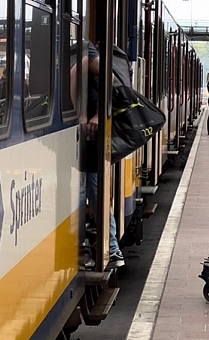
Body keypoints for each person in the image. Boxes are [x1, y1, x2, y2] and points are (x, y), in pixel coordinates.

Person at [80, 41, 125, 268]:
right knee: (89, 191)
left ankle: (113, 248)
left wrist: (99, 115)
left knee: (95, 192)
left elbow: (110, 78)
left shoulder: (85, 49)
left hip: (91, 138)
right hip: (82, 136)